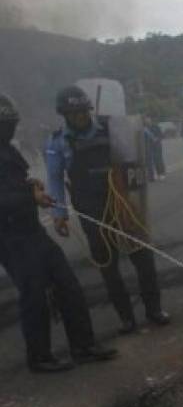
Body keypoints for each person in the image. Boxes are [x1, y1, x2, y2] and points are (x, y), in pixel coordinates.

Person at [0, 93, 118, 372]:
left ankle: (84, 346)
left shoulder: (7, 149)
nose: (11, 128)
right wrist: (30, 196)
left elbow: (18, 183)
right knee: (34, 294)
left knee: (68, 285)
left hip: (31, 229)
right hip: (9, 236)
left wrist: (33, 186)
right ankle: (39, 357)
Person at [46, 86, 170, 334]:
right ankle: (126, 318)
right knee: (108, 267)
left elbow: (142, 140)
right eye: (74, 113)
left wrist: (132, 128)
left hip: (124, 205)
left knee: (143, 259)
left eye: (83, 111)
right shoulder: (57, 142)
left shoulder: (112, 128)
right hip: (92, 212)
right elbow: (55, 179)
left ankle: (154, 309)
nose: (81, 116)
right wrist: (59, 215)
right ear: (65, 115)